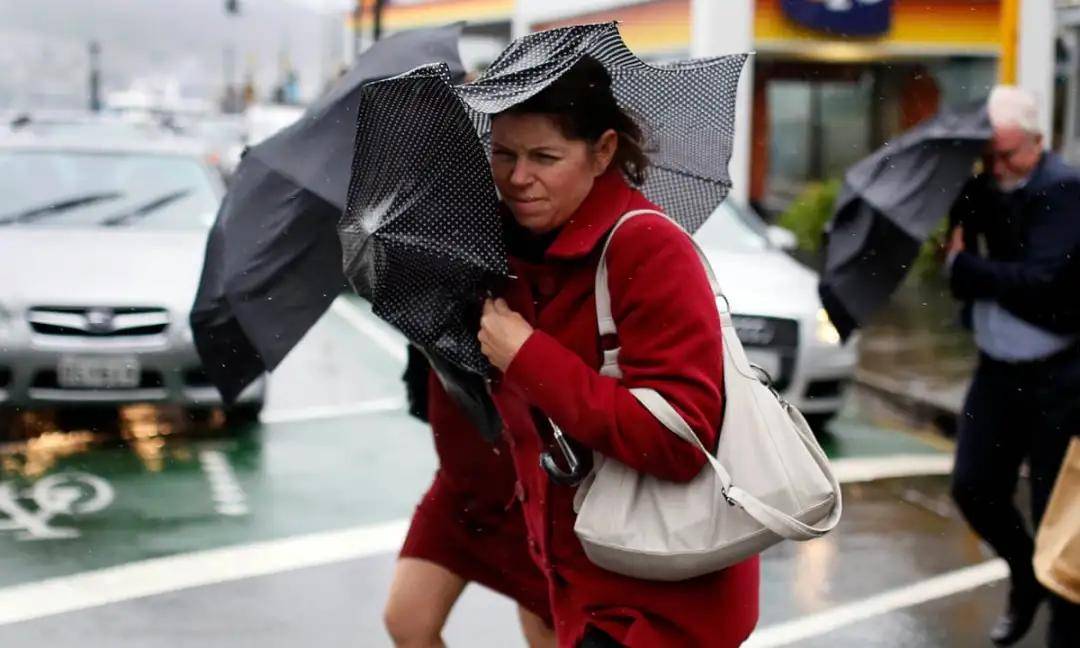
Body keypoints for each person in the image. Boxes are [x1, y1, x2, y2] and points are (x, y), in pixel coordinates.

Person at [476, 57, 760, 647]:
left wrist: (526, 356)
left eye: (544, 157)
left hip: (660, 605)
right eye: (503, 154)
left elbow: (678, 437)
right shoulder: (508, 255)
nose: (517, 177)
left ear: (603, 151)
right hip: (579, 584)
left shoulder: (647, 247)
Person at [946, 85, 1080, 648]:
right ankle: (1027, 580)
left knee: (1062, 516)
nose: (999, 167)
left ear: (1039, 142)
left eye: (1011, 154)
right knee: (974, 487)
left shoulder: (1064, 191)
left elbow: (1046, 285)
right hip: (997, 370)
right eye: (990, 155)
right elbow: (960, 264)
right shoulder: (980, 189)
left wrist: (968, 270)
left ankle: (1065, 632)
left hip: (1062, 377)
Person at [384, 345, 555, 648]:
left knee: (546, 633)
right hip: (459, 490)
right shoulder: (422, 305)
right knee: (407, 621)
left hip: (528, 497)